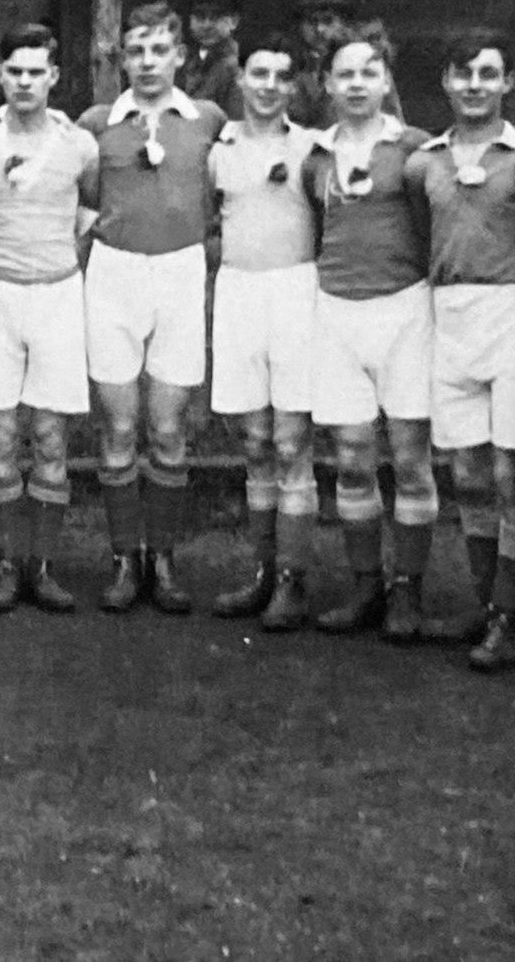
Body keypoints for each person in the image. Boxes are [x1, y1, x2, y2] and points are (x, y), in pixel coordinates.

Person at [402, 29, 515, 669]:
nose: (474, 86)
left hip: (514, 313)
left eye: (488, 74)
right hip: (450, 315)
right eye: (462, 73)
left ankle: (509, 617)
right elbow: (423, 234)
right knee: (467, 472)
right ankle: (486, 603)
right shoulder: (423, 163)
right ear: (445, 81)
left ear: (508, 83)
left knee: (509, 472)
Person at [77, 2, 227, 615]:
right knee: (117, 428)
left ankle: (162, 559)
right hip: (114, 274)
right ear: (121, 58)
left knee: (167, 428)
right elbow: (82, 201)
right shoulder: (96, 123)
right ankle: (124, 559)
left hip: (180, 274)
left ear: (179, 56)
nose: (146, 62)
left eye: (159, 50)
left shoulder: (207, 119)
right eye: (135, 51)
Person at [299, 22, 439, 640]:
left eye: (369, 73)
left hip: (404, 310)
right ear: (327, 84)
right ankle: (365, 587)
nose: (356, 84)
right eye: (345, 74)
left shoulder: (415, 149)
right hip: (336, 311)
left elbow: (432, 225)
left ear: (386, 82)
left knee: (410, 457)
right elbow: (316, 227)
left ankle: (408, 589)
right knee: (353, 456)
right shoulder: (315, 155)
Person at [0, 24, 99, 612]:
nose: (24, 82)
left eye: (36, 72)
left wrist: (67, 257)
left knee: (50, 435)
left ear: (53, 77)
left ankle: (43, 566)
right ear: (0, 75)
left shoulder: (79, 143)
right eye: (14, 71)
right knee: (1, 435)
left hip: (57, 295)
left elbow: (92, 206)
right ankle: (8, 565)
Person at [204, 31, 320, 629]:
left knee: (291, 443)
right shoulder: (217, 148)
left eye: (281, 76)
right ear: (240, 79)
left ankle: (293, 581)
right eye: (259, 73)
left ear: (294, 86)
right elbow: (207, 222)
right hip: (239, 295)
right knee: (254, 443)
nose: (269, 86)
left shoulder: (314, 149)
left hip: (296, 294)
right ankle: (263, 573)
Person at [288, 0, 352, 127]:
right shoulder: (288, 63)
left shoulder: (358, 63)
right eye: (312, 22)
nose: (320, 29)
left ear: (341, 24)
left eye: (328, 21)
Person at [179, 0, 242, 114]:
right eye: (200, 16)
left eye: (215, 17)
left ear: (234, 21)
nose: (206, 25)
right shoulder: (186, 61)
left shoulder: (236, 66)